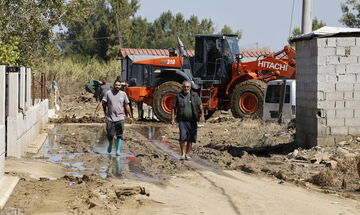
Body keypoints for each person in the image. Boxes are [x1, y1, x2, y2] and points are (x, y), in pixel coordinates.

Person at [97, 80, 133, 156]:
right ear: (113, 85)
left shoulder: (123, 94)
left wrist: (130, 115)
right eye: (116, 85)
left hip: (120, 118)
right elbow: (102, 102)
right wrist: (96, 111)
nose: (117, 86)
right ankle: (110, 144)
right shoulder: (108, 93)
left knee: (119, 135)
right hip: (110, 118)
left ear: (120, 86)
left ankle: (118, 151)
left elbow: (126, 105)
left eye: (119, 85)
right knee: (110, 134)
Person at [171, 81, 205, 160]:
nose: (186, 88)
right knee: (183, 137)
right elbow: (173, 108)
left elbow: (200, 106)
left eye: (188, 87)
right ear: (182, 87)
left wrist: (202, 115)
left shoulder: (194, 96)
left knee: (191, 138)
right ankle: (182, 154)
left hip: (192, 121)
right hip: (182, 120)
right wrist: (173, 118)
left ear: (190, 87)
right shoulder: (179, 96)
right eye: (185, 87)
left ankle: (187, 154)